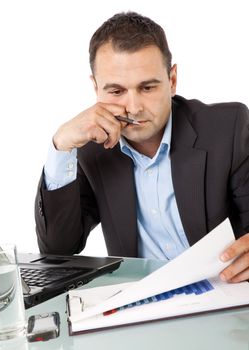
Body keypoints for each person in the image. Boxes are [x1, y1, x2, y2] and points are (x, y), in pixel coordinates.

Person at [35, 11, 249, 283]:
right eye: (116, 91)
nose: (133, 108)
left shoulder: (226, 129)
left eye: (147, 88)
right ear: (96, 88)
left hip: (223, 300)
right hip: (141, 309)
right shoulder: (91, 147)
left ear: (172, 81)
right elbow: (57, 252)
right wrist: (61, 145)